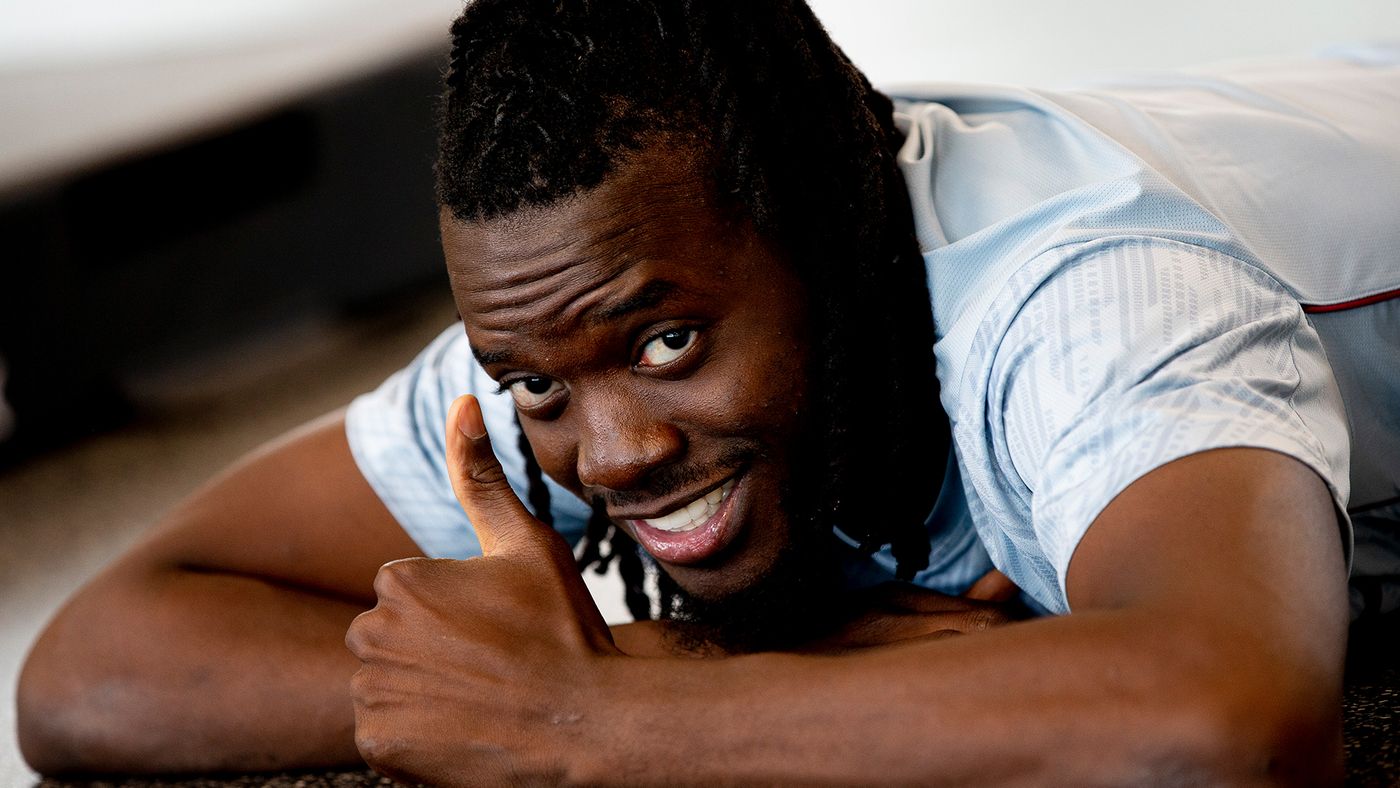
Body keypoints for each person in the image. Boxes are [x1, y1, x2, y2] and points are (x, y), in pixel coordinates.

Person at [18, 0, 1398, 783]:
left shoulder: (1089, 296)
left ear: (833, 240)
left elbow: (1235, 720)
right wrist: (664, 657)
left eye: (670, 344)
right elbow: (95, 670)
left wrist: (586, 722)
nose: (611, 453)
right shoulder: (574, 322)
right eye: (535, 384)